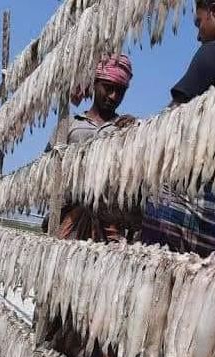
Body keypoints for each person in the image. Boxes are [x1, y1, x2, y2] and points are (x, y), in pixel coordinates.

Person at [141, 0, 215, 263]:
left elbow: (173, 118)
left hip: (185, 189)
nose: (197, 34)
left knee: (157, 270)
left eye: (199, 21)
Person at [45, 54, 140, 243]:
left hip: (110, 220)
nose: (113, 96)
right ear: (95, 84)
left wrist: (135, 131)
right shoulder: (70, 125)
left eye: (120, 91)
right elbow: (47, 166)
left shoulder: (125, 129)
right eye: (108, 88)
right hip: (70, 213)